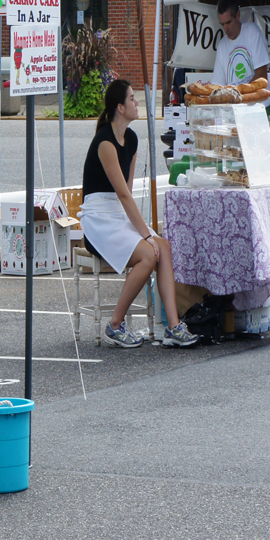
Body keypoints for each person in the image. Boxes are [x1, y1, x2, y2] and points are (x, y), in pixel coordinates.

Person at [79, 79, 196, 349]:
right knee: (148, 253)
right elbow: (122, 194)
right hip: (98, 219)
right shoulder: (105, 142)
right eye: (132, 98)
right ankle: (115, 325)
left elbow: (127, 194)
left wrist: (149, 235)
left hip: (117, 213)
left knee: (163, 247)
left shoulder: (131, 138)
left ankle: (174, 327)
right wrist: (145, 236)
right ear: (120, 108)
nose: (137, 103)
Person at [212, 0, 270, 135]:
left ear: (238, 15)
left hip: (261, 110)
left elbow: (261, 76)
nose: (226, 29)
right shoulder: (222, 46)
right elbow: (218, 87)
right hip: (237, 116)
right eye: (222, 24)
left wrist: (235, 96)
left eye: (228, 22)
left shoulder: (252, 32)